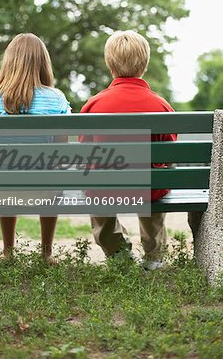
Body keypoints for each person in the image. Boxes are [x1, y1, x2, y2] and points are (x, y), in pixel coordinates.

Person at [80, 30, 177, 270]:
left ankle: (117, 253)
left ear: (109, 65)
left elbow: (85, 152)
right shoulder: (161, 105)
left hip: (106, 189)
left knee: (95, 185)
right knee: (155, 176)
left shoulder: (94, 105)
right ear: (144, 65)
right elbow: (171, 153)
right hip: (150, 189)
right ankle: (154, 256)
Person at [0, 33, 71, 262]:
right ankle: (46, 253)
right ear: (43, 63)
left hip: (0, 189)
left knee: (1, 172)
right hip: (44, 189)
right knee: (53, 175)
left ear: (8, 61)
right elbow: (61, 151)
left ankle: (8, 252)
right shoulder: (55, 98)